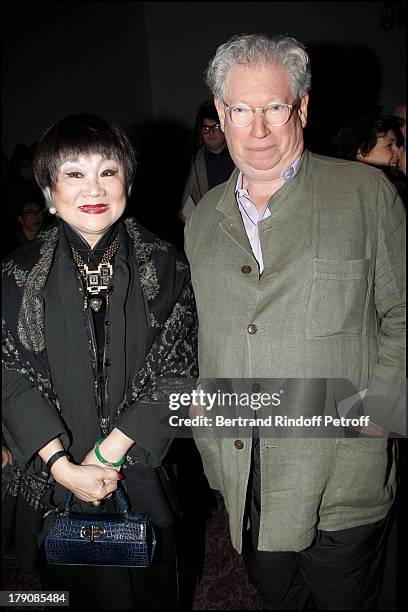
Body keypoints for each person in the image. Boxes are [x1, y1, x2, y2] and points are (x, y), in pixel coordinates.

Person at [184, 34, 405, 609]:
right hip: (247, 469)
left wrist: (380, 415)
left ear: (301, 108)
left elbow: (401, 311)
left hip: (342, 470)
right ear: (221, 114)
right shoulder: (202, 217)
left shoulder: (365, 193)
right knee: (276, 597)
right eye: (240, 109)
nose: (257, 129)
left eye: (274, 107)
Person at [2, 113, 199, 610]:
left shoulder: (166, 264)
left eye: (108, 171)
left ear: (127, 180)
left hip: (138, 463)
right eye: (73, 173)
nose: (94, 187)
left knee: (153, 588)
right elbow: (8, 375)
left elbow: (179, 366)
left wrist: (107, 454)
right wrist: (63, 466)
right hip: (58, 474)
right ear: (49, 188)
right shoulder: (16, 275)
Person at [180, 100, 235, 220]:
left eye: (216, 126)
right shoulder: (193, 163)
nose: (211, 132)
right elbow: (185, 203)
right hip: (208, 222)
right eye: (206, 128)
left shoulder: (239, 158)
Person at [333, 115, 406, 202]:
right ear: (361, 151)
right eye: (389, 145)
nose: (397, 150)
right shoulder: (366, 182)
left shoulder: (393, 183)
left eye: (396, 145)